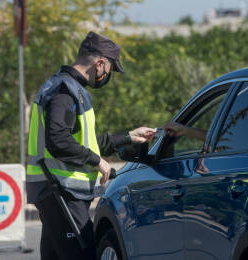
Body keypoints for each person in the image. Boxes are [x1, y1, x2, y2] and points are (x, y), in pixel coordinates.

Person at [26, 31, 156, 260]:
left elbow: (85, 143)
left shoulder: (65, 87)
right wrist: (98, 162)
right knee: (83, 254)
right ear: (99, 63)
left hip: (57, 190)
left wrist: (128, 137)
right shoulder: (64, 91)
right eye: (110, 70)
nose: (108, 75)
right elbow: (57, 140)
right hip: (60, 190)